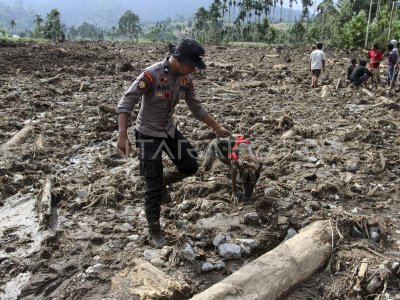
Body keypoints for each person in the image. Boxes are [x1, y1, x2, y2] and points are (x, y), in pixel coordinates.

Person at [116, 38, 231, 248]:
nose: (194, 70)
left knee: (190, 164)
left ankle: (162, 183)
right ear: (179, 59)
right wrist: (122, 134)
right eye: (192, 65)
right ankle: (154, 229)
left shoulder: (185, 79)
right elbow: (127, 101)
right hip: (148, 134)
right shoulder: (152, 74)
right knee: (151, 182)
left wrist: (216, 127)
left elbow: (196, 106)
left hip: (168, 130)